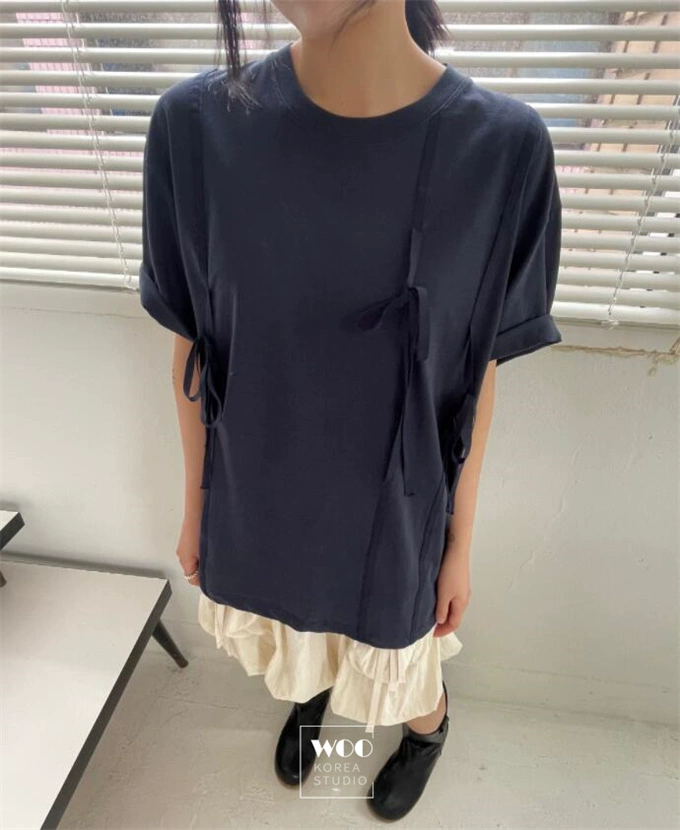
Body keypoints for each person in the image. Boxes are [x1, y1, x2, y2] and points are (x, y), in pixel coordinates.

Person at [139, 0, 562, 821]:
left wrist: (460, 543)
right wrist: (196, 506)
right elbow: (192, 344)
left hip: (396, 510)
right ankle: (315, 698)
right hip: (263, 493)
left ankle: (427, 733)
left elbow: (475, 374)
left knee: (404, 660)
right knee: (300, 640)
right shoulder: (195, 129)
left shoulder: (502, 152)